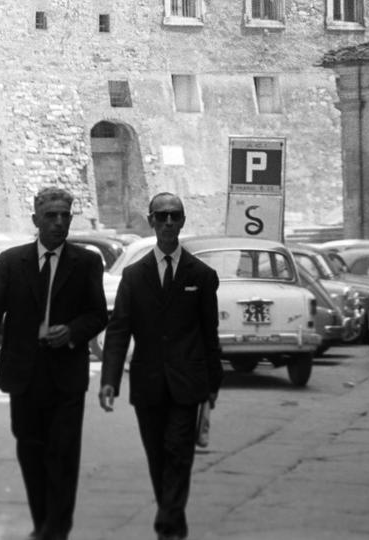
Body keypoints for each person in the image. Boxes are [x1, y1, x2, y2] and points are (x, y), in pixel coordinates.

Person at [0, 188, 108, 540]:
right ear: (36, 220)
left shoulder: (86, 262)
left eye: (65, 215)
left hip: (66, 375)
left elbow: (97, 314)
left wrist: (73, 331)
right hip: (23, 374)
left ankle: (57, 530)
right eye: (51, 216)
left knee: (63, 454)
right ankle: (42, 523)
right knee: (30, 450)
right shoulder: (10, 262)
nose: (60, 222)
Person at [99, 193, 222, 540]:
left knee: (178, 451)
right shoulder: (134, 277)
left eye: (175, 216)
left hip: (188, 382)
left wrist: (214, 382)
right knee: (157, 456)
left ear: (182, 221)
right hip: (148, 382)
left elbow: (208, 333)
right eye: (162, 216)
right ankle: (174, 518)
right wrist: (109, 380)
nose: (169, 222)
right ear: (151, 222)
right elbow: (120, 329)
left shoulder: (201, 275)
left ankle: (166, 524)